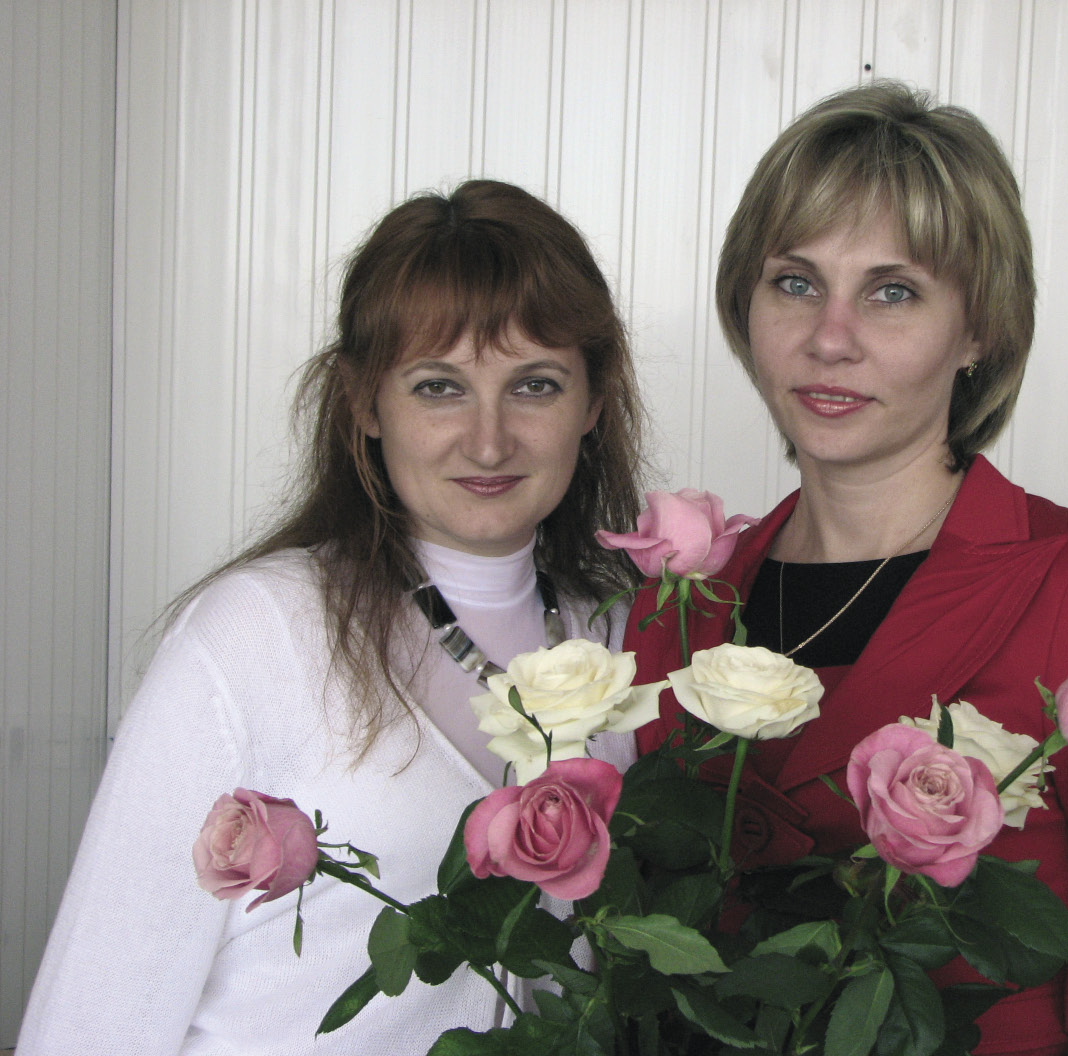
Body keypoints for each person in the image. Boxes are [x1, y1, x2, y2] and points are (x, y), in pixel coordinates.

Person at [629, 83, 1068, 1055]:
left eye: (892, 292)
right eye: (794, 282)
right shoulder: (679, 606)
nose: (829, 338)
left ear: (980, 329)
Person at [18, 179, 646, 1055]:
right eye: (438, 387)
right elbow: (97, 1013)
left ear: (594, 401)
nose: (489, 439)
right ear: (362, 402)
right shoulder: (255, 634)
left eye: (535, 385)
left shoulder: (622, 636)